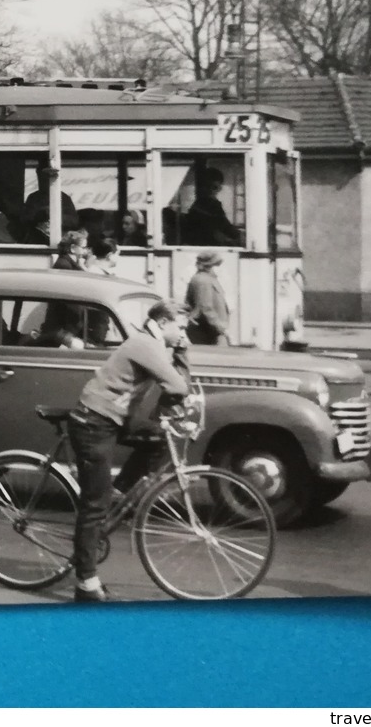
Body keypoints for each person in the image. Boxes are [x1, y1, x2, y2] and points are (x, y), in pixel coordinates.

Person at [67, 300, 192, 602]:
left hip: (115, 418)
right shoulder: (144, 344)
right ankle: (85, 582)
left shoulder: (156, 344)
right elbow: (178, 386)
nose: (184, 334)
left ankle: (120, 493)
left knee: (159, 440)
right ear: (163, 323)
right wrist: (168, 401)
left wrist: (181, 352)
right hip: (94, 421)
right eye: (182, 327)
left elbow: (178, 384)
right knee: (94, 504)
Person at [182, 168, 243, 246]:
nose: (210, 190)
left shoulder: (207, 204)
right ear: (202, 187)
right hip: (203, 244)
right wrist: (238, 235)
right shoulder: (206, 204)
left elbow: (224, 225)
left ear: (220, 188)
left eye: (214, 187)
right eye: (207, 187)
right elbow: (224, 225)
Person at [21, 163, 78, 245]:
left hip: (58, 241)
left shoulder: (64, 198)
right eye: (41, 177)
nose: (43, 181)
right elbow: (25, 219)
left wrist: (55, 215)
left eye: (47, 177)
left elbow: (74, 221)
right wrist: (38, 215)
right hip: (37, 240)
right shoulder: (33, 197)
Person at [185, 251, 230, 345]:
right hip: (209, 333)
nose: (220, 268)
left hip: (212, 332)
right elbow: (205, 308)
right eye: (217, 265)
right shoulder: (203, 281)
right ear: (209, 266)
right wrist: (221, 328)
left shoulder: (208, 279)